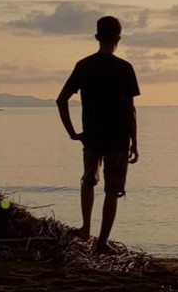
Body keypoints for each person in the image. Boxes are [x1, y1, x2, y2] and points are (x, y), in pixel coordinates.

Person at [56, 16, 140, 254]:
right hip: (118, 137)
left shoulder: (84, 65)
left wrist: (72, 132)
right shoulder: (125, 68)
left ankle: (85, 229)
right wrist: (135, 141)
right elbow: (130, 110)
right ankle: (102, 243)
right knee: (112, 190)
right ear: (118, 39)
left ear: (97, 37)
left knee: (88, 181)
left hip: (91, 136)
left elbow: (61, 100)